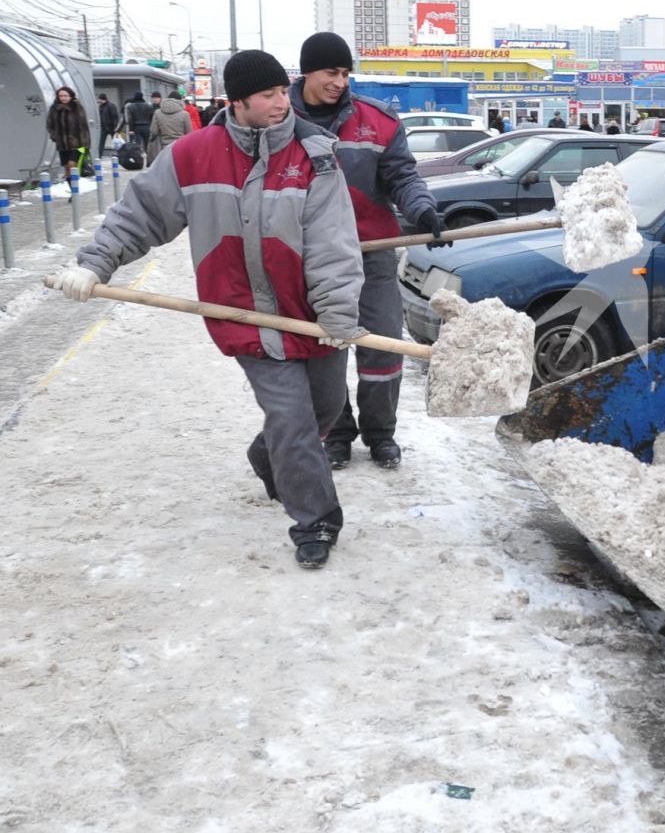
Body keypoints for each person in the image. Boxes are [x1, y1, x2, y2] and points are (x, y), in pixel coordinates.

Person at [48, 50, 366, 570]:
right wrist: (96, 264)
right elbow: (140, 215)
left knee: (323, 411)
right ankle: (316, 520)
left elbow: (333, 240)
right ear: (237, 102)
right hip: (243, 313)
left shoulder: (315, 154)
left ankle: (270, 457)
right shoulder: (193, 155)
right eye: (268, 95)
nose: (281, 103)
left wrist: (335, 312)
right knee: (292, 418)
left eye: (283, 92)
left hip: (310, 314)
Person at [289, 31, 446, 470]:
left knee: (382, 345)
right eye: (330, 73)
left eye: (345, 73)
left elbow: (402, 176)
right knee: (326, 347)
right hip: (309, 257)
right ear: (307, 72)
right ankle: (336, 432)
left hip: (371, 251)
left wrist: (423, 210)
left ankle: (381, 433)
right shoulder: (279, 120)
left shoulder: (377, 121)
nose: (340, 82)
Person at [47, 86, 90, 176]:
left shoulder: (76, 107)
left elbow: (83, 126)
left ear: (71, 96)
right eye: (61, 96)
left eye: (65, 96)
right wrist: (54, 136)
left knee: (72, 165)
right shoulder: (54, 108)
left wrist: (85, 144)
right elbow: (50, 124)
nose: (63, 98)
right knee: (67, 167)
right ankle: (73, 187)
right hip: (62, 144)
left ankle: (75, 186)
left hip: (78, 144)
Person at [148, 89, 190, 162]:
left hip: (164, 146)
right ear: (180, 101)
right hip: (180, 146)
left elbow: (154, 131)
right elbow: (189, 133)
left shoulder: (157, 112)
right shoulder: (185, 114)